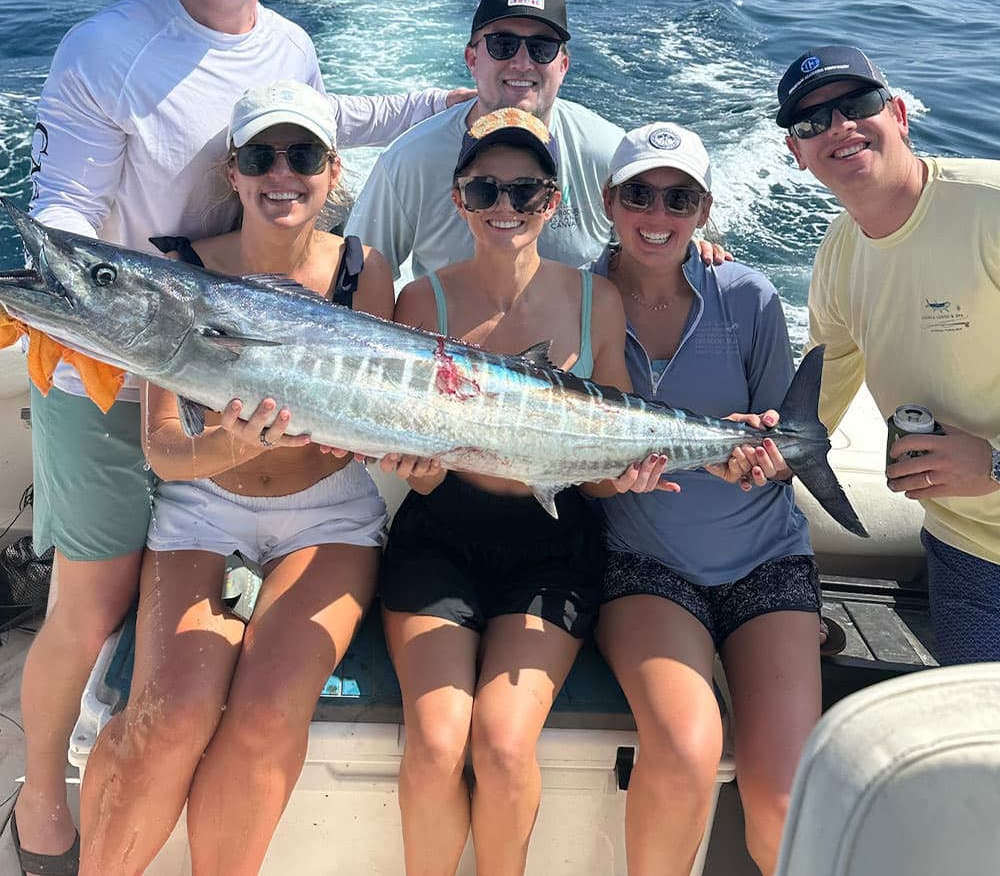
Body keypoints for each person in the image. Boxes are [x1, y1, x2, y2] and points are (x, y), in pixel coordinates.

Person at [14, 0, 469, 875]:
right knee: (87, 610)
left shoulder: (290, 48)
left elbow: (317, 122)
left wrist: (448, 105)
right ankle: (43, 803)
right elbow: (64, 209)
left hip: (252, 359)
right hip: (124, 356)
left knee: (242, 690)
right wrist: (62, 306)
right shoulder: (102, 48)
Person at [77, 81, 394, 876]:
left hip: (329, 520)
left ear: (333, 170)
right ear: (234, 171)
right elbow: (164, 450)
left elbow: (378, 425)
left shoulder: (366, 270)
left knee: (262, 714)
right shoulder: (175, 272)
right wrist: (231, 446)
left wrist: (396, 453)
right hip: (202, 512)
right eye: (261, 155)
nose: (281, 173)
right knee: (172, 710)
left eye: (304, 155)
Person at [377, 107, 650, 876]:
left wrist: (625, 472)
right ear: (459, 198)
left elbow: (604, 460)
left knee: (501, 744)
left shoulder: (597, 300)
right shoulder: (419, 302)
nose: (505, 206)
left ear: (553, 201)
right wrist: (419, 466)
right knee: (435, 743)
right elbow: (419, 449)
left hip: (554, 547)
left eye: (525, 191)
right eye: (486, 188)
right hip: (441, 534)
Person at [591, 122, 822, 876]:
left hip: (767, 561)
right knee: (690, 749)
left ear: (705, 209)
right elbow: (582, 456)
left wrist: (760, 458)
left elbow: (783, 447)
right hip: (645, 564)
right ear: (609, 201)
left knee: (787, 798)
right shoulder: (578, 297)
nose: (658, 213)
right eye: (640, 194)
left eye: (679, 197)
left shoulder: (749, 297)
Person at [776, 45, 1000, 665]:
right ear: (796, 154)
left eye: (858, 104)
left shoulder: (990, 207)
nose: (839, 127)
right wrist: (757, 448)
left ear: (898, 113)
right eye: (811, 122)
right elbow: (811, 411)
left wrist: (995, 465)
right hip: (967, 555)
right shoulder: (838, 256)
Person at [345, 0, 626, 278]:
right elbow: (359, 276)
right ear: (472, 59)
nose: (521, 62)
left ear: (563, 66)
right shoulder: (409, 161)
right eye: (502, 45)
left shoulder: (610, 153)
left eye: (541, 48)